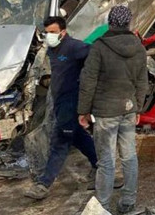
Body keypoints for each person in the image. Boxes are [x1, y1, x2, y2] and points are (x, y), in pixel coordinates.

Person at [78, 6, 147, 214]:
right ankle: (128, 202)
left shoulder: (99, 47)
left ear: (110, 23)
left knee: (106, 161)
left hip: (105, 111)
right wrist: (138, 108)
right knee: (129, 156)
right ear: (129, 23)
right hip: (128, 107)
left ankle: (103, 206)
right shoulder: (139, 47)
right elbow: (142, 81)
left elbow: (88, 80)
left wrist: (83, 111)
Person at [25, 17, 98, 200]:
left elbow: (95, 56)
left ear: (62, 32)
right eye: (46, 32)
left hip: (71, 102)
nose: (48, 35)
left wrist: (87, 82)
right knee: (78, 137)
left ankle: (44, 184)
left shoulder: (74, 47)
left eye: (52, 32)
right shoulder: (51, 49)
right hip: (59, 102)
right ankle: (101, 165)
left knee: (60, 142)